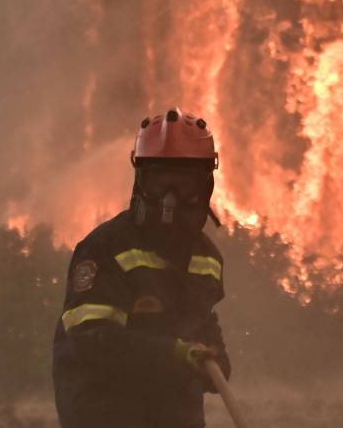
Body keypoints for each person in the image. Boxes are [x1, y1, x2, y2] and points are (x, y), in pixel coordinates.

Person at [52, 108, 231, 428]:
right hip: (105, 409)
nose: (170, 198)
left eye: (184, 183)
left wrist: (214, 354)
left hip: (175, 412)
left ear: (205, 184)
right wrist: (172, 353)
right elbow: (91, 340)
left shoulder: (207, 258)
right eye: (160, 181)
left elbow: (201, 320)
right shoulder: (105, 248)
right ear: (140, 180)